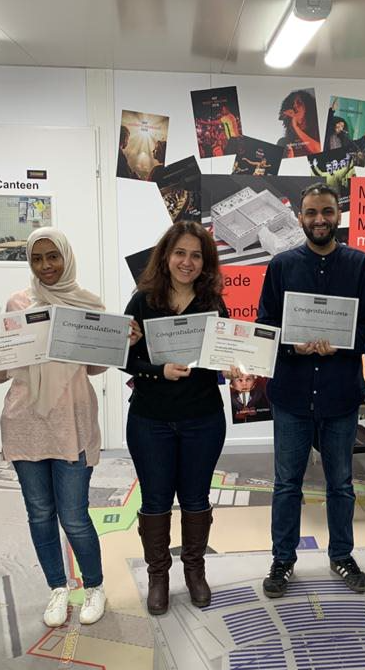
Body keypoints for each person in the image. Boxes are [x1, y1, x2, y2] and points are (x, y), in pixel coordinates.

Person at [0, 228, 132, 628]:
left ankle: (94, 586)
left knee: (75, 515)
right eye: (37, 258)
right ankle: (57, 588)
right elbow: (2, 364)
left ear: (67, 256)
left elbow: (95, 366)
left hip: (72, 421)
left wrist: (118, 343)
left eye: (53, 257)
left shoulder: (87, 304)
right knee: (40, 513)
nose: (46, 266)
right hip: (25, 421)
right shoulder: (17, 303)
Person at [256, 183, 365, 597]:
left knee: (341, 484)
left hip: (339, 393)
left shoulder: (363, 266)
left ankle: (342, 556)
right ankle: (283, 560)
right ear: (299, 216)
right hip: (292, 392)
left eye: (327, 211)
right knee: (286, 484)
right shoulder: (281, 266)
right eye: (311, 212)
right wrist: (290, 343)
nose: (319, 220)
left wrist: (343, 341)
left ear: (338, 215)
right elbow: (266, 324)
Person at [123, 221, 236, 615]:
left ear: (204, 262)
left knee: (195, 498)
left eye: (195, 255)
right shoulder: (142, 301)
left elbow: (222, 358)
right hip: (150, 420)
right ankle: (158, 575)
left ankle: (194, 570)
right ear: (166, 256)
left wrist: (237, 369)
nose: (186, 262)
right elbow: (122, 358)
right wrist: (157, 370)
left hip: (202, 418)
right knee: (155, 500)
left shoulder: (213, 303)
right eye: (180, 253)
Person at [277, 90, 322, 158]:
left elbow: (318, 150)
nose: (295, 106)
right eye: (292, 104)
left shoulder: (318, 130)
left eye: (299, 102)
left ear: (306, 107)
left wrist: (296, 127)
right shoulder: (284, 142)